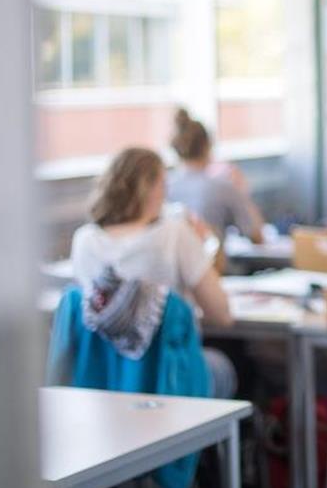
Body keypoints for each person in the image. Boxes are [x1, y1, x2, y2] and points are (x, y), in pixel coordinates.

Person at [70, 147, 237, 399]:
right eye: (163, 184)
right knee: (224, 366)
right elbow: (222, 315)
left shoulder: (83, 240)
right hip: (166, 381)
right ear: (152, 190)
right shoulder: (175, 233)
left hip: (104, 383)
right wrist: (207, 243)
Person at [167, 108, 266, 244]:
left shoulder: (165, 185)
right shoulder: (222, 187)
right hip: (213, 263)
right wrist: (242, 193)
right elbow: (257, 236)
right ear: (207, 146)